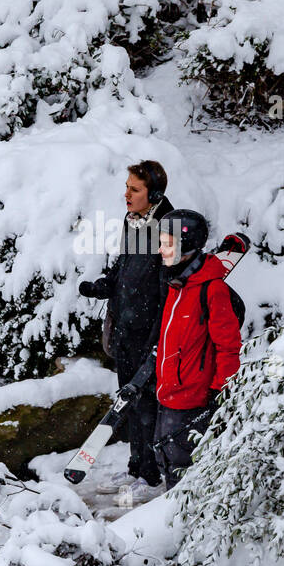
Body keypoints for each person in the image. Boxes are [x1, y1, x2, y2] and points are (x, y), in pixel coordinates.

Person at [78, 160, 174, 497]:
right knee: (129, 403)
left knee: (148, 404)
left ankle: (151, 476)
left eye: (135, 189)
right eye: (126, 187)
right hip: (125, 329)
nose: (127, 195)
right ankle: (136, 467)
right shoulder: (133, 222)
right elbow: (123, 270)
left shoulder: (168, 228)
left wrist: (156, 339)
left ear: (155, 193)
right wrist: (102, 287)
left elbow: (167, 288)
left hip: (149, 333)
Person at [152, 209, 242, 490]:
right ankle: (168, 515)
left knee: (184, 469)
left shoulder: (211, 289)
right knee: (164, 459)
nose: (160, 249)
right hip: (167, 393)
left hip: (193, 400)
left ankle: (184, 523)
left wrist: (220, 391)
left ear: (187, 245)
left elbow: (228, 347)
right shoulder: (177, 284)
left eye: (167, 243)